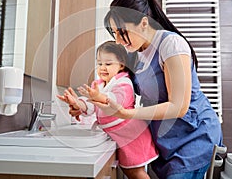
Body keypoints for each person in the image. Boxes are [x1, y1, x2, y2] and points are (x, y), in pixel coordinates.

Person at [87, 0, 224, 179]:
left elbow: (179, 107)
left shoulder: (171, 44)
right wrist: (85, 105)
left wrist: (125, 113)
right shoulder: (136, 53)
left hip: (194, 137)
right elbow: (118, 88)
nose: (117, 40)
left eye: (122, 32)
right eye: (114, 33)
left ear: (143, 23)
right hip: (167, 141)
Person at [57, 41, 159, 179]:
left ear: (121, 65)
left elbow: (115, 101)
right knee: (129, 171)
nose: (102, 68)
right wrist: (78, 103)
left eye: (108, 64)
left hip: (132, 135)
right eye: (99, 64)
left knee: (135, 172)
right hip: (120, 135)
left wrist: (98, 96)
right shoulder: (99, 85)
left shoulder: (124, 83)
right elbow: (91, 105)